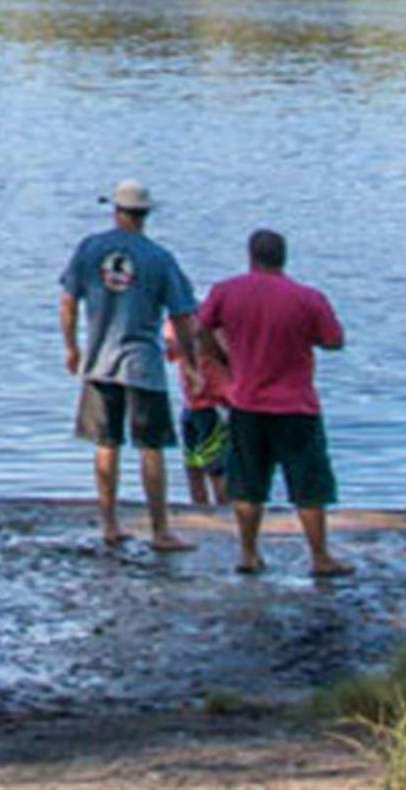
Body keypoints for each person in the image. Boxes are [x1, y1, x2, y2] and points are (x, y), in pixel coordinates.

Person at [196, 228, 352, 579]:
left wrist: (221, 361)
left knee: (248, 481)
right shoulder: (307, 298)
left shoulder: (226, 291)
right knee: (308, 484)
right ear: (283, 257)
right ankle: (320, 556)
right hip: (295, 404)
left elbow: (200, 328)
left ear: (251, 256)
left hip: (246, 401)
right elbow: (334, 341)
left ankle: (249, 553)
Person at [59, 179, 199, 552]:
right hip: (143, 365)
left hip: (99, 361)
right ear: (145, 215)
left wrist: (72, 347)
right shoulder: (159, 258)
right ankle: (160, 529)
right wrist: (193, 361)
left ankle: (109, 524)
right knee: (150, 447)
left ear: (116, 210)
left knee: (107, 443)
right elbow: (183, 315)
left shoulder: (90, 249)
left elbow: (68, 301)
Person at [166, 314, 231, 505]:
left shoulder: (208, 323)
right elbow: (171, 354)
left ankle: (223, 510)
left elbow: (228, 355)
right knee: (193, 464)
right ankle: (200, 507)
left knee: (215, 467)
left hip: (215, 402)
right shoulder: (172, 324)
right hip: (192, 403)